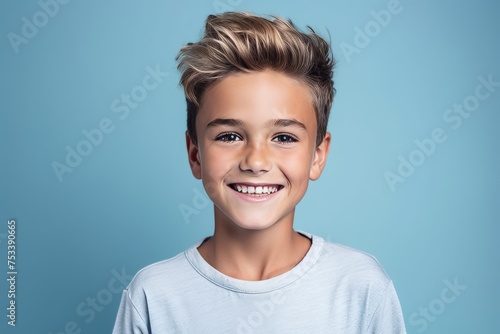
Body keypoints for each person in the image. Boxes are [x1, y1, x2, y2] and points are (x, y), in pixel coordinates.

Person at [112, 11, 406, 333]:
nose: (255, 161)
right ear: (195, 154)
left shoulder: (360, 288)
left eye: (283, 138)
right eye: (229, 136)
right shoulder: (153, 296)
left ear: (317, 156)